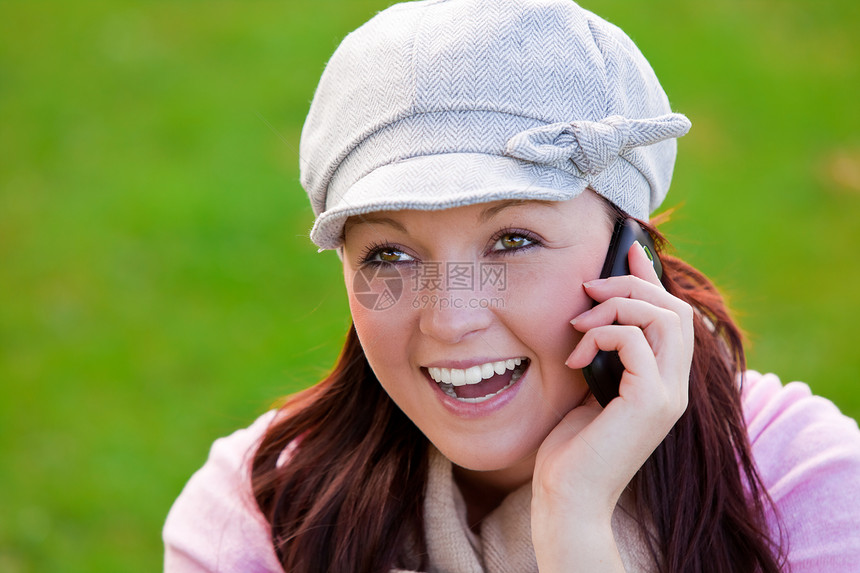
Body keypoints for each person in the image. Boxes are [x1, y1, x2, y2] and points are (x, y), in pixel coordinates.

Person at [163, 0, 860, 571]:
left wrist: (574, 520)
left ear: (630, 252)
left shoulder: (802, 484)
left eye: (513, 241)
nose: (451, 319)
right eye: (388, 255)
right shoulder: (260, 515)